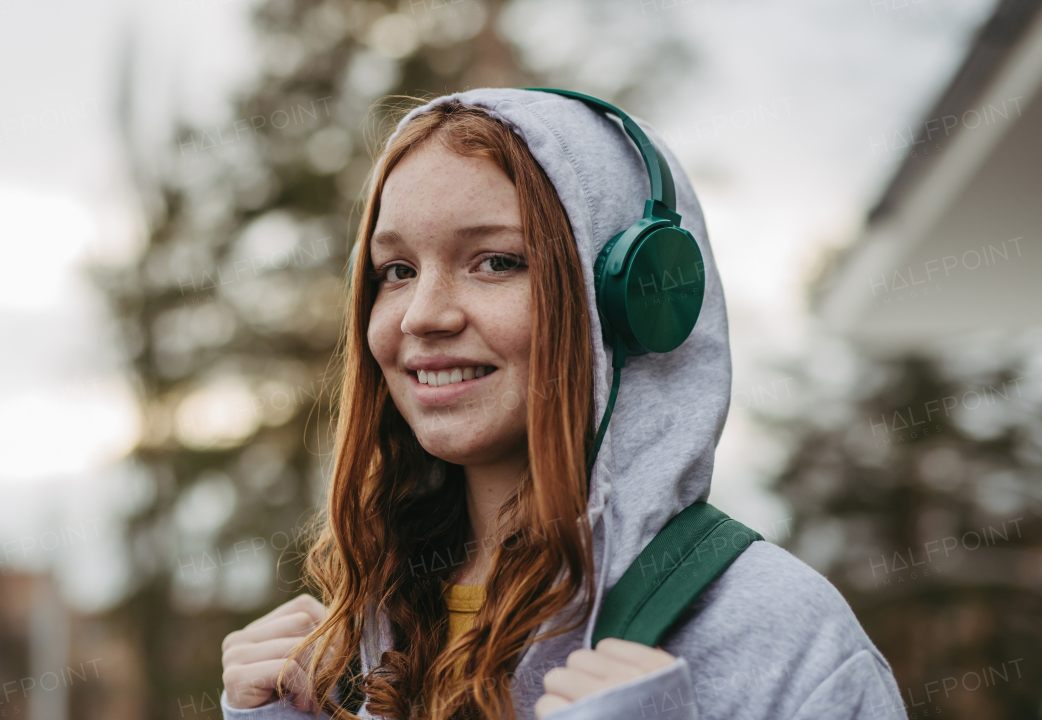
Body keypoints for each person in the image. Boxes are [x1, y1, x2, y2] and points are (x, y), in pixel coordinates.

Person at [219, 88, 906, 720]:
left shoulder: (780, 634)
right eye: (396, 271)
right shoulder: (351, 641)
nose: (421, 316)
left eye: (495, 261)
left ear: (629, 302)